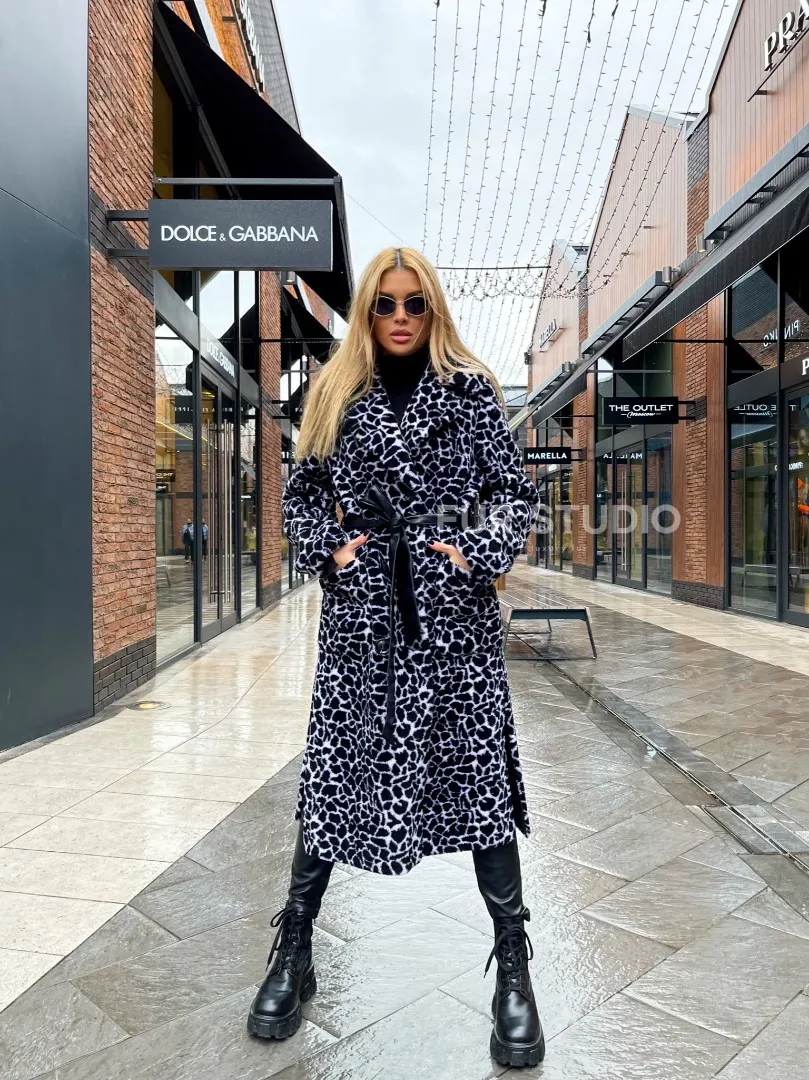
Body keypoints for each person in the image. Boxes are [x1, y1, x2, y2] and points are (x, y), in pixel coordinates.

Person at [247, 247, 543, 1067]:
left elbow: (511, 493)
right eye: (385, 303)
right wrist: (333, 552)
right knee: (334, 772)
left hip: (452, 621)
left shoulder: (471, 390)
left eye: (414, 302)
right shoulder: (334, 389)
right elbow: (301, 493)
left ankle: (512, 968)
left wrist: (475, 553)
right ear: (367, 312)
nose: (401, 316)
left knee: (478, 779)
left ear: (433, 307)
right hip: (365, 620)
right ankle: (294, 946)